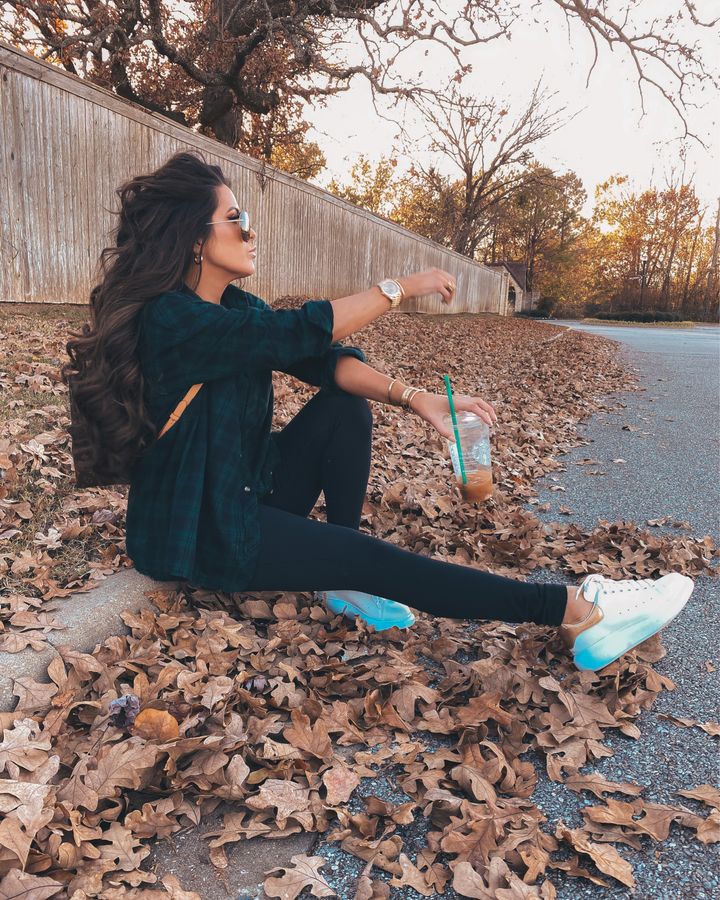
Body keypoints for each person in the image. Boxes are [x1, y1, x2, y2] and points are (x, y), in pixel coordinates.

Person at [71, 150, 693, 674]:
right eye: (236, 220)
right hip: (199, 531)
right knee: (378, 561)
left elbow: (325, 358)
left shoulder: (236, 307)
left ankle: (341, 572)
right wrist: (400, 288)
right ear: (195, 239)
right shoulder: (171, 319)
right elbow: (296, 333)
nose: (250, 231)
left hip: (244, 489)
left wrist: (420, 400)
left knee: (344, 407)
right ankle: (577, 611)